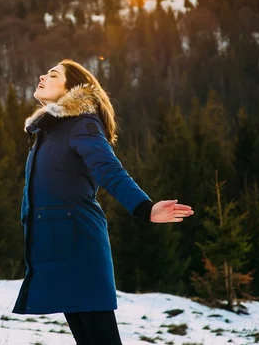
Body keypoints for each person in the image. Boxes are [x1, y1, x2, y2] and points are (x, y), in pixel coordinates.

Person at [12, 59, 195, 344]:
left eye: (52, 74)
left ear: (70, 88)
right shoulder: (48, 131)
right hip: (58, 246)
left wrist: (145, 208)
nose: (41, 76)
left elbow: (110, 170)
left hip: (80, 245)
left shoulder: (81, 124)